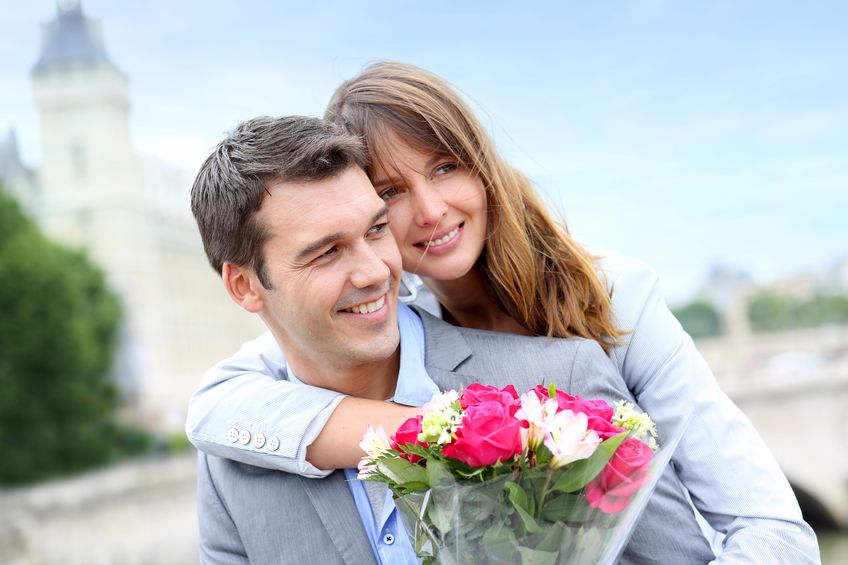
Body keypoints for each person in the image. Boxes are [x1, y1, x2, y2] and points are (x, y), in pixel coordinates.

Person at [186, 63, 820, 563]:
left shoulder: (612, 305)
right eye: (392, 193)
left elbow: (761, 525)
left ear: (483, 168)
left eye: (446, 167)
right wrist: (430, 433)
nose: (430, 210)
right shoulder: (384, 307)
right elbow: (218, 405)